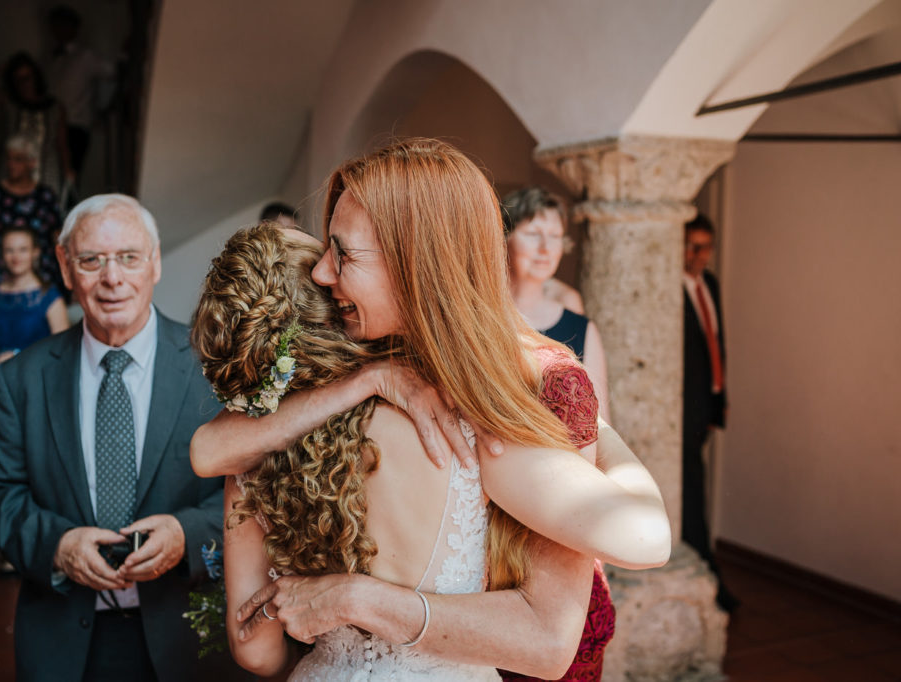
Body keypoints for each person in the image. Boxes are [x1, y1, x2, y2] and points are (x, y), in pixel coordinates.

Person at [192, 140, 670, 678]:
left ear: (414, 263)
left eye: (343, 253)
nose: (325, 273)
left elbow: (636, 546)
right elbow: (206, 450)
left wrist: (581, 408)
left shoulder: (459, 410)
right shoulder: (431, 408)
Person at [0, 194, 247, 681]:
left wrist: (187, 535)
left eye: (128, 257)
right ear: (64, 266)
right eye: (91, 260)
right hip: (62, 637)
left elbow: (251, 493)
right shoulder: (22, 378)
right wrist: (57, 545)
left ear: (155, 261)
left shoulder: (213, 370)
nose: (112, 278)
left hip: (187, 635)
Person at [501, 187, 609, 422]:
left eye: (555, 236)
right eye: (532, 233)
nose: (545, 248)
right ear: (503, 238)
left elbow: (600, 424)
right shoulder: (479, 317)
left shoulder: (580, 328)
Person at [682, 213, 737, 613]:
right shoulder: (668, 289)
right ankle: (708, 575)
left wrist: (721, 395)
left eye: (704, 246)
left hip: (706, 405)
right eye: (690, 245)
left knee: (693, 489)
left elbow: (716, 342)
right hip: (680, 409)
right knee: (692, 493)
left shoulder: (710, 285)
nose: (697, 255)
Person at [0, 225, 68, 424]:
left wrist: (19, 356)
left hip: (33, 389)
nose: (15, 256)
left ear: (35, 253)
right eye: (9, 250)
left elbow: (63, 352)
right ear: (2, 254)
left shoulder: (50, 298)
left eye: (23, 249)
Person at [0, 134, 65, 300]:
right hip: (5, 273)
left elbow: (58, 239)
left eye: (18, 159)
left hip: (43, 272)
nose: (11, 165)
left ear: (32, 163)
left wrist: (69, 275)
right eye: (8, 159)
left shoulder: (46, 196)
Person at [0, 52, 72, 196]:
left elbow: (62, 144)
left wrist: (68, 170)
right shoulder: (11, 104)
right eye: (17, 79)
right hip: (13, 173)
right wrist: (7, 66)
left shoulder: (55, 108)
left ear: (36, 77)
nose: (23, 84)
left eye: (27, 78)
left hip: (47, 171)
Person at [46, 5, 115, 187]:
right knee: (50, 174)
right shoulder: (52, 58)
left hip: (75, 124)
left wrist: (105, 107)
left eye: (63, 25)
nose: (58, 30)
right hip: (51, 123)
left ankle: (69, 213)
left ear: (74, 28)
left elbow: (113, 74)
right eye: (55, 25)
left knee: (70, 177)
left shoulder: (86, 56)